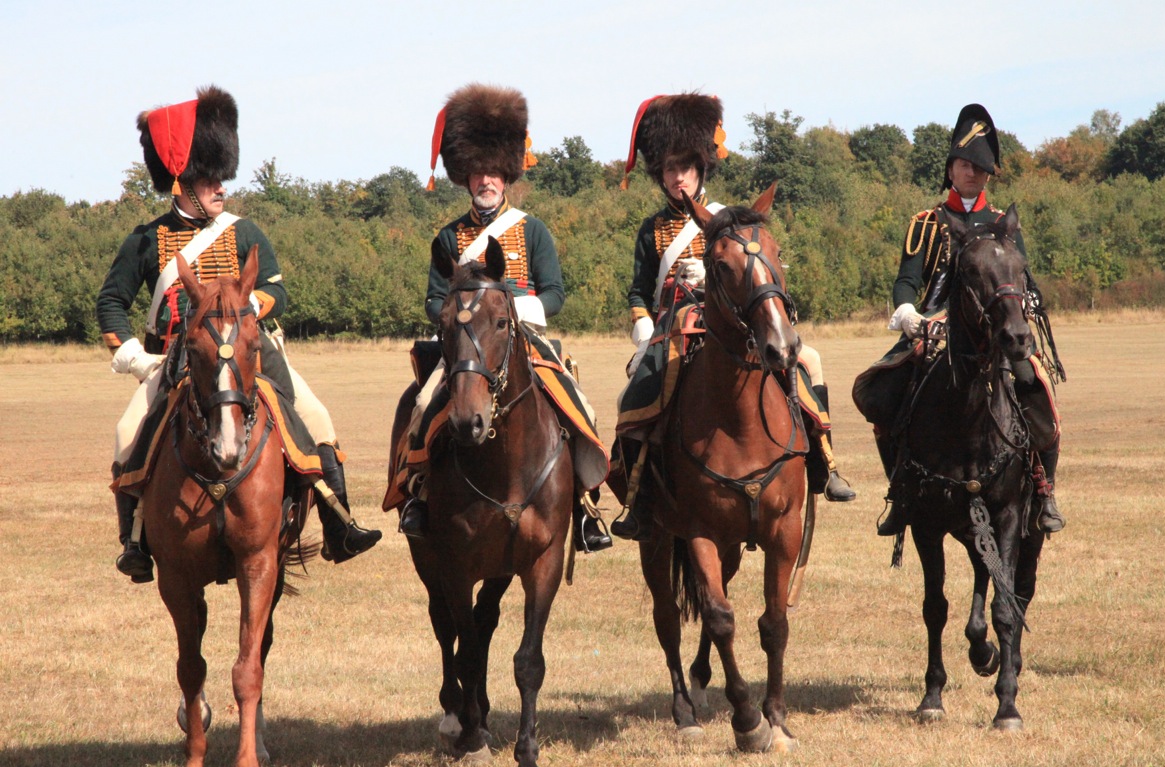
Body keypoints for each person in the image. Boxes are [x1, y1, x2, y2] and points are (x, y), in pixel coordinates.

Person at [100, 86, 381, 583]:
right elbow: (111, 303)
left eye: (220, 178)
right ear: (180, 182)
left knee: (316, 417)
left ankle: (340, 524)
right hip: (179, 357)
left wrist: (246, 312)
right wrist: (134, 357)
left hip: (254, 351)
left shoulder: (244, 231)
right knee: (128, 433)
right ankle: (136, 541)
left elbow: (276, 289)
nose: (220, 188)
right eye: (208, 180)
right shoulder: (147, 240)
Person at [610, 93, 856, 541]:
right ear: (659, 175)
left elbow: (755, 275)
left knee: (809, 362)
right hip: (673, 328)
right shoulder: (652, 230)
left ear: (701, 167)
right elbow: (638, 291)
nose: (677, 176)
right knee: (637, 389)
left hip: (733, 323)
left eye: (684, 165)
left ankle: (825, 462)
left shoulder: (731, 219)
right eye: (668, 168)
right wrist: (643, 323)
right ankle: (638, 494)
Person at [396, 83, 611, 552]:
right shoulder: (449, 237)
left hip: (525, 338)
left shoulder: (532, 230)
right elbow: (434, 300)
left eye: (493, 171)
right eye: (476, 172)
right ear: (465, 179)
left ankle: (586, 508)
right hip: (464, 345)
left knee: (580, 408)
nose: (485, 180)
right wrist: (454, 318)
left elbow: (555, 292)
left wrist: (519, 309)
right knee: (424, 404)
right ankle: (419, 492)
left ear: (507, 174)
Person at [858, 103, 1065, 537]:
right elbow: (906, 281)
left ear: (989, 175)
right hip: (934, 331)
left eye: (980, 167)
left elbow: (1022, 280)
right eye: (965, 164)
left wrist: (1021, 310)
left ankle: (1044, 491)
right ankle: (900, 491)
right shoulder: (926, 223)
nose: (972, 173)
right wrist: (909, 314)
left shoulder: (1001, 225)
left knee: (1038, 390)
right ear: (950, 168)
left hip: (997, 333)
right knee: (884, 392)